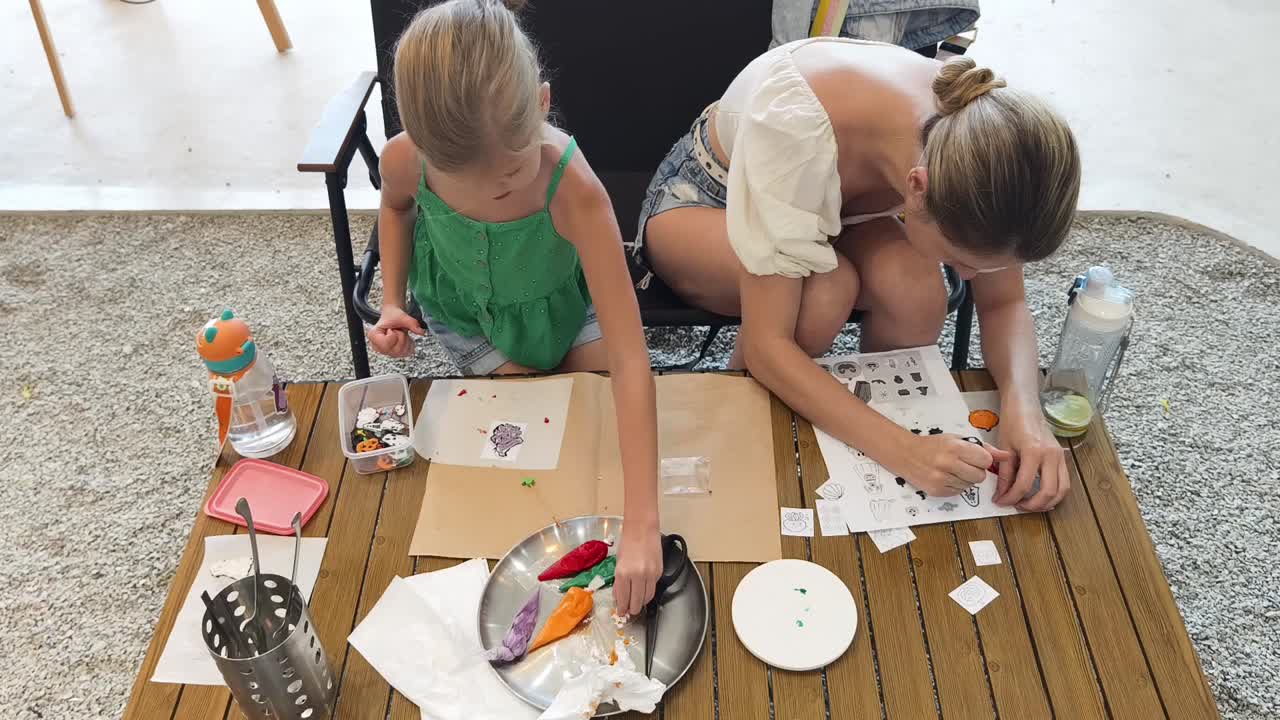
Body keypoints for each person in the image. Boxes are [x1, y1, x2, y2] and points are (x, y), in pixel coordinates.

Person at [632, 38, 1081, 512]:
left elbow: (1004, 303)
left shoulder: (982, 144)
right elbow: (767, 348)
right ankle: (757, 444)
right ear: (917, 190)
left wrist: (1025, 408)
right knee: (825, 292)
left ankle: (881, 449)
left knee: (917, 290)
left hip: (828, 207)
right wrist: (905, 452)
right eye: (962, 258)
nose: (968, 277)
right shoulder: (795, 126)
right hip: (704, 200)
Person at [370, 0, 661, 614]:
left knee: (592, 410)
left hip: (557, 305)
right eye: (461, 182)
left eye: (506, 174)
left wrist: (641, 524)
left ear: (545, 104)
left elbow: (635, 360)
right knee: (531, 419)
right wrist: (392, 301)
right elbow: (396, 209)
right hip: (465, 312)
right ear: (421, 146)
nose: (489, 192)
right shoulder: (405, 157)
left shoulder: (574, 189)